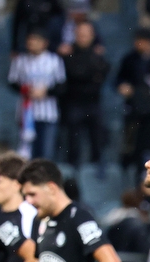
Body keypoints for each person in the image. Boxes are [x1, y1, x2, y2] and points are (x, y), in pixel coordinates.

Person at [8, 30, 66, 161]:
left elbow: (62, 85)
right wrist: (26, 90)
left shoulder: (54, 60)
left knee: (46, 152)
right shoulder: (20, 60)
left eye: (35, 41)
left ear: (44, 43)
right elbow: (12, 82)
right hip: (27, 112)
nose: (32, 44)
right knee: (26, 152)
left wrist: (46, 91)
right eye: (30, 41)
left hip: (48, 112)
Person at [60, 21, 109, 168]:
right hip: (74, 103)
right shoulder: (67, 55)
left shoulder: (98, 56)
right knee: (73, 144)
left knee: (97, 142)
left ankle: (97, 172)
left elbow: (103, 73)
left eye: (86, 35)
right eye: (80, 34)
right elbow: (73, 74)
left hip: (93, 103)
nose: (83, 38)